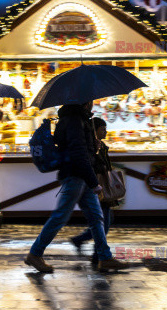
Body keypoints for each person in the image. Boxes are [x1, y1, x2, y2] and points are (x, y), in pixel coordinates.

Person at [24, 102, 128, 273]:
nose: (93, 102)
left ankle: (104, 257)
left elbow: (69, 145)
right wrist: (94, 182)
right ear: (85, 101)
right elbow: (78, 153)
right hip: (76, 175)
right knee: (60, 216)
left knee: (96, 217)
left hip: (81, 175)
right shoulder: (74, 120)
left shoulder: (74, 118)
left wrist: (92, 145)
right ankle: (35, 254)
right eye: (91, 99)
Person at [69, 117, 117, 264]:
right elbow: (91, 165)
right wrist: (100, 164)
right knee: (103, 222)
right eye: (103, 129)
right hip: (98, 187)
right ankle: (98, 254)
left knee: (103, 221)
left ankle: (83, 242)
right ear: (95, 131)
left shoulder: (100, 145)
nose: (106, 132)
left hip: (101, 186)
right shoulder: (92, 147)